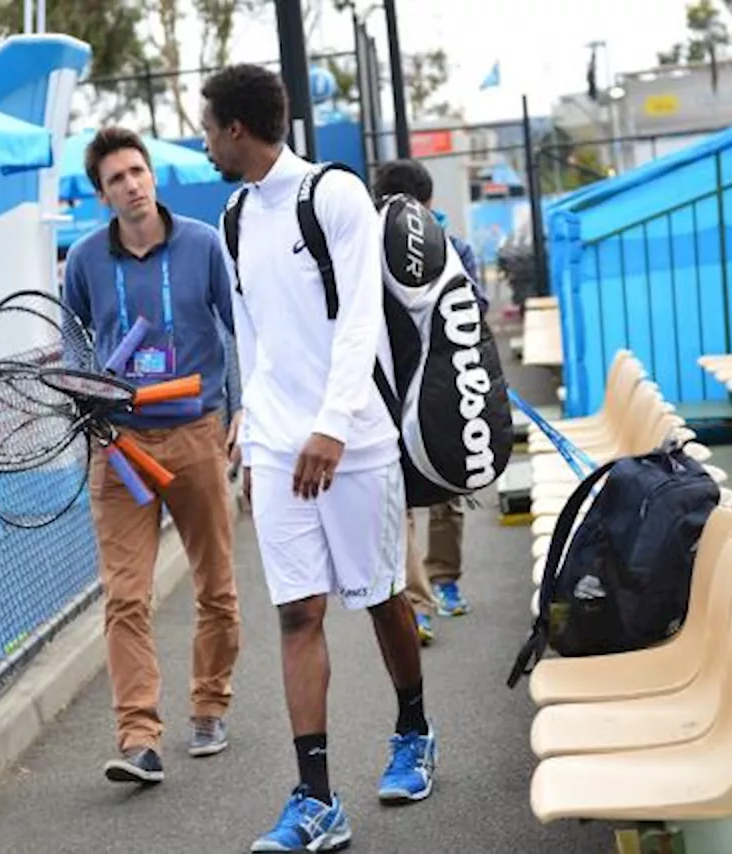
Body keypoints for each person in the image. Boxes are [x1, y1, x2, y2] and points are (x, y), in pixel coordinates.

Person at [201, 65, 436, 853]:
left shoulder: (333, 196)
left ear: (236, 129)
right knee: (298, 610)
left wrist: (331, 426)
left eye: (208, 127)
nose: (204, 140)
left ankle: (414, 729)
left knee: (379, 597)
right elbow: (252, 332)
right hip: (275, 443)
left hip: (353, 441)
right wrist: (250, 420)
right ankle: (316, 798)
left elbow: (360, 318)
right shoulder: (234, 215)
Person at [62, 126, 242, 785]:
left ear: (152, 176)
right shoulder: (84, 260)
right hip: (119, 445)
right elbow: (74, 342)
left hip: (197, 431)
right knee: (125, 595)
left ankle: (209, 705)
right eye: (117, 179)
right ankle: (139, 738)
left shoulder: (203, 245)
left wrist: (241, 410)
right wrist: (85, 395)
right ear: (103, 195)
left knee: (216, 586)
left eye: (137, 171)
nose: (132, 184)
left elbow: (237, 329)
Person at [372, 159, 480, 645]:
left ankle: (444, 581)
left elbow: (472, 312)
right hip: (397, 395)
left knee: (445, 492)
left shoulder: (455, 251)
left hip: (441, 388)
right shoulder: (368, 252)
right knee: (402, 500)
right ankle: (419, 602)